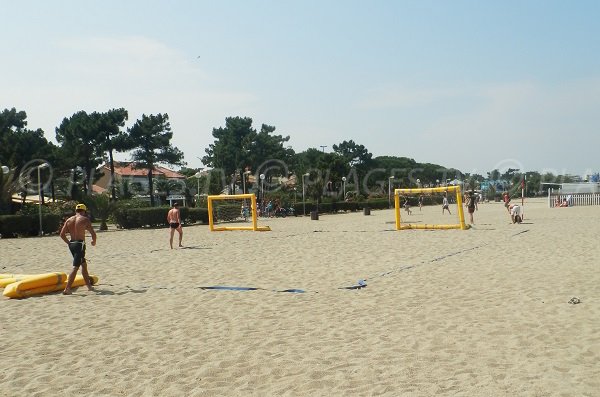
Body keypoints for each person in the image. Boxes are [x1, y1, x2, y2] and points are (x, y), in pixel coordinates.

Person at [60, 203, 96, 295]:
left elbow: (62, 234)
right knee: (76, 266)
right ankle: (67, 289)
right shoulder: (85, 219)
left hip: (72, 244)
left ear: (76, 211)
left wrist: (69, 243)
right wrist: (93, 241)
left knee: (83, 264)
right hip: (80, 245)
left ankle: (88, 286)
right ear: (84, 211)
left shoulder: (69, 220)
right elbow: (92, 233)